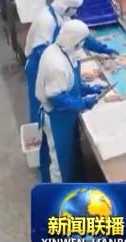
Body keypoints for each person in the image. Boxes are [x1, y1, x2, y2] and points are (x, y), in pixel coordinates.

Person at [24, 0, 116, 123]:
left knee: (55, 100)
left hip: (54, 66)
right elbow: (42, 53)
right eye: (75, 9)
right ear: (66, 8)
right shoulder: (47, 21)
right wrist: (81, 102)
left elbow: (81, 37)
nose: (76, 12)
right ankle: (39, 132)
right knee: (41, 106)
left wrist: (103, 49)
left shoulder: (62, 16)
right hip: (37, 64)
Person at [36, 20, 102, 182]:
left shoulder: (62, 50)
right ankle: (57, 193)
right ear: (76, 41)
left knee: (70, 157)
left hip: (66, 116)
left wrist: (88, 89)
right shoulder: (56, 63)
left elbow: (69, 83)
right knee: (60, 163)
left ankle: (71, 184)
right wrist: (84, 103)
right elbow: (57, 98)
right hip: (56, 117)